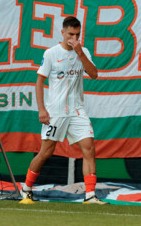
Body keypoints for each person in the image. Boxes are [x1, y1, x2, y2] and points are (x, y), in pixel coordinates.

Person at [21, 16, 107, 205]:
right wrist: (41, 109)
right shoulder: (51, 53)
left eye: (77, 35)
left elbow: (94, 75)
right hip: (56, 112)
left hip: (77, 111)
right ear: (62, 32)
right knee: (46, 152)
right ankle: (26, 188)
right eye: (70, 34)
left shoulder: (83, 52)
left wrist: (80, 53)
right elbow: (39, 81)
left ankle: (90, 196)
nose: (73, 38)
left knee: (89, 148)